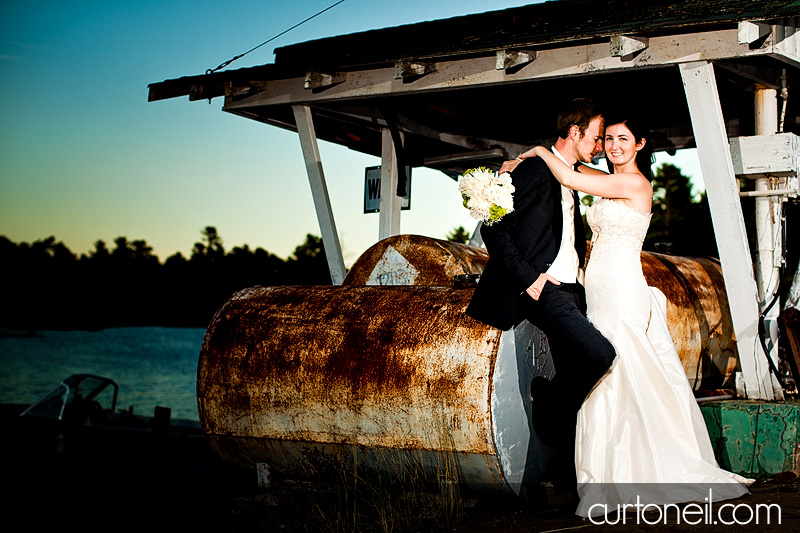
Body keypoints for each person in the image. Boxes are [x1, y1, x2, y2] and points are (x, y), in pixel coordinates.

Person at [513, 114, 752, 517]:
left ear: (640, 144)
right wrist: (520, 168)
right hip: (600, 289)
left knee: (619, 371)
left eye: (623, 139)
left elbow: (571, 178)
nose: (613, 146)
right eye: (608, 139)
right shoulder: (608, 182)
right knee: (606, 376)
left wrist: (537, 151)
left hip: (623, 290)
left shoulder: (636, 183)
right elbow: (573, 167)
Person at [465, 98, 617, 455]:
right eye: (596, 138)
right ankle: (546, 402)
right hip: (543, 289)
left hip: (570, 290)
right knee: (600, 355)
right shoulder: (532, 171)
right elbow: (493, 227)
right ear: (574, 132)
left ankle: (567, 479)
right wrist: (529, 279)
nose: (600, 147)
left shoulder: (570, 174)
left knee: (574, 369)